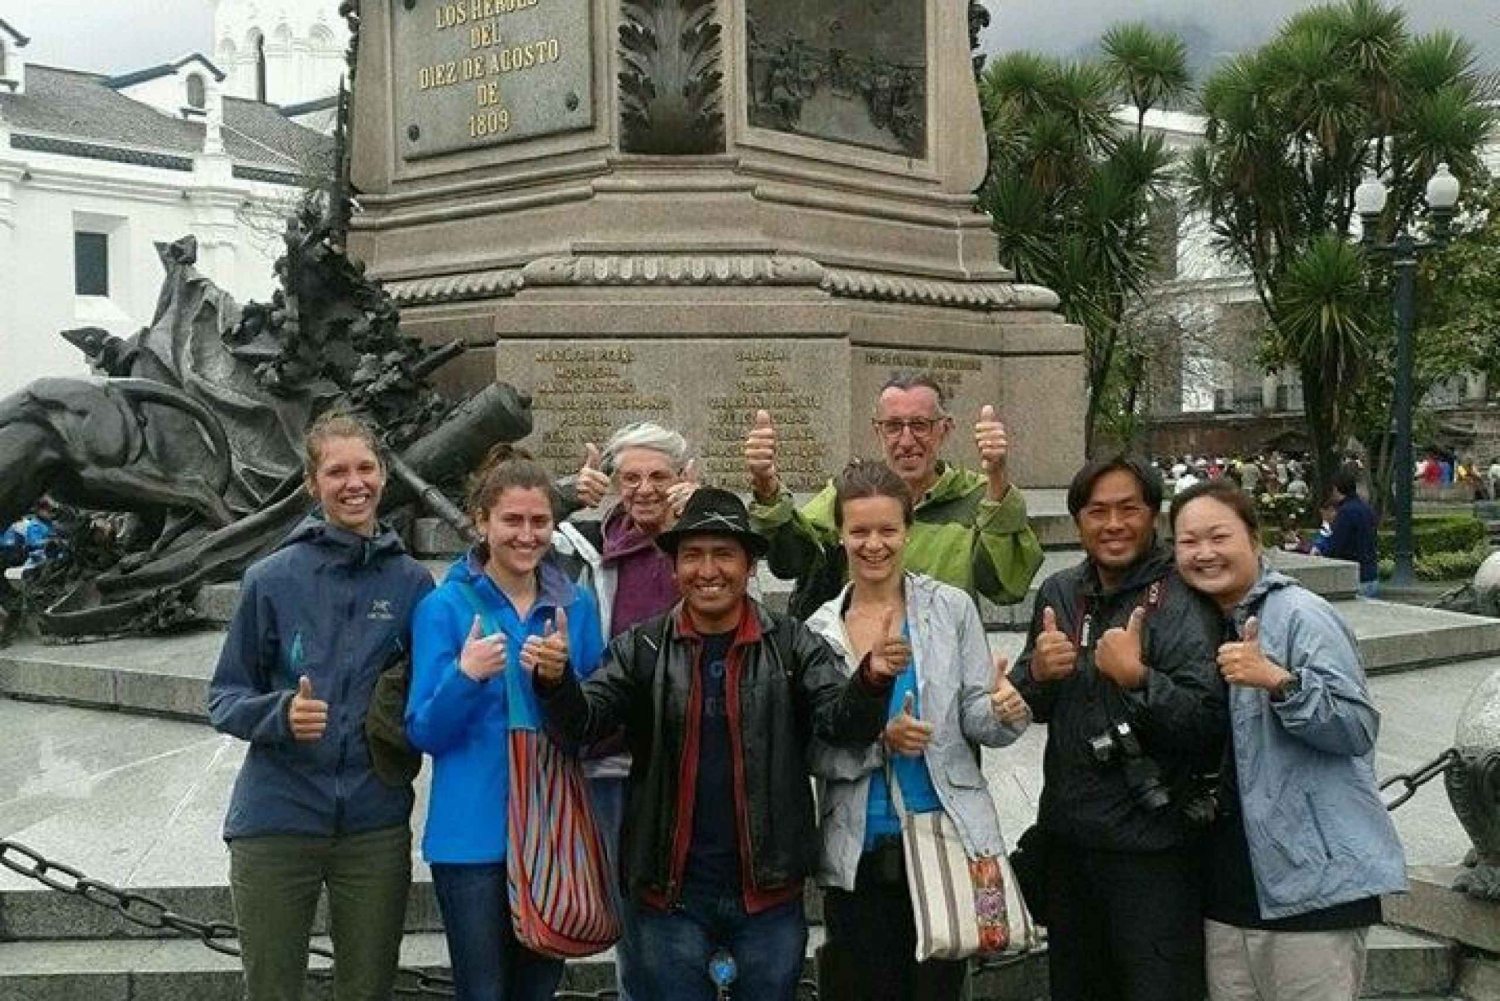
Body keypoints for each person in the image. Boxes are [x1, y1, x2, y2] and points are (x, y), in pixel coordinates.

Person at [533, 487, 897, 1001]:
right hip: (670, 894)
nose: (709, 570)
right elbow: (584, 724)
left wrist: (872, 680)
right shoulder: (642, 646)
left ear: (749, 565)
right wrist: (555, 682)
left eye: (724, 554)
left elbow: (842, 724)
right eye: (693, 555)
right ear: (675, 567)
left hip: (767, 892)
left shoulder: (791, 643)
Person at [208, 410, 435, 1001]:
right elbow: (224, 695)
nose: (354, 482)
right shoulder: (270, 578)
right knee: (274, 990)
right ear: (313, 484)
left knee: (368, 989)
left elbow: (432, 687)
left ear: (384, 474)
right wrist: (278, 714)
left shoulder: (412, 584)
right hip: (276, 819)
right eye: (337, 471)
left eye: (366, 467)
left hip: (374, 822)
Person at [1171, 479, 1406, 1001]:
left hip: (1311, 891)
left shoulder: (1303, 614)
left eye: (1219, 536)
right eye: (1188, 542)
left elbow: (1356, 727)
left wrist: (1279, 681)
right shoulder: (1196, 621)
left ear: (1254, 539)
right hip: (1227, 892)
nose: (1204, 553)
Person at [806, 461, 1030, 1001]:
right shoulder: (818, 630)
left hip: (946, 839)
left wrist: (1004, 710)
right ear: (841, 536)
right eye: (859, 531)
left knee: (938, 990)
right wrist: (882, 742)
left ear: (907, 531)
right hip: (859, 850)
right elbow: (815, 750)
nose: (874, 544)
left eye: (887, 530)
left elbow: (974, 717)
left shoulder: (950, 609)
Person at [1009, 455, 1226, 1001]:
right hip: (1069, 841)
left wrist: (1138, 679)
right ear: (1078, 520)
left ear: (1153, 515)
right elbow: (1031, 702)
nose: (1113, 524)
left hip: (1152, 851)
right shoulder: (1060, 593)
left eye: (1129, 509)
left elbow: (1206, 722)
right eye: (1097, 511)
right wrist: (1035, 673)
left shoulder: (1182, 598)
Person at [406, 446, 605, 1001]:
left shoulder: (577, 608)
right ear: (482, 522)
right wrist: (466, 676)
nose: (527, 534)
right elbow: (424, 731)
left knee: (537, 990)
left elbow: (590, 726)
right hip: (472, 837)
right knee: (484, 991)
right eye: (512, 520)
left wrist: (560, 683)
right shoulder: (444, 609)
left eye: (539, 521)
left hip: (552, 828)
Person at [551, 421, 700, 999]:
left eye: (658, 476)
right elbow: (496, 538)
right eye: (630, 477)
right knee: (632, 912)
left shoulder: (706, 538)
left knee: (692, 901)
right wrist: (563, 495)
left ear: (682, 478)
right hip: (612, 759)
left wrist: (700, 516)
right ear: (612, 481)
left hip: (691, 752)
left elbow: (751, 607)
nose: (644, 489)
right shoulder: (582, 546)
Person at [744, 372, 1042, 617]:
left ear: (946, 430)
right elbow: (793, 561)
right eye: (893, 426)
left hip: (944, 664)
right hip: (861, 663)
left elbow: (1008, 587)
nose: (906, 440)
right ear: (877, 431)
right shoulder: (848, 493)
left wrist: (998, 479)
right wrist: (768, 488)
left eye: (920, 425)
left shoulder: (978, 497)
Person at [1313, 465, 1379, 598]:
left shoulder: (1345, 512)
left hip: (1355, 576)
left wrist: (1320, 552)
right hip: (1370, 573)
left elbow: (1337, 545)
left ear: (1336, 489)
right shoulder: (1366, 508)